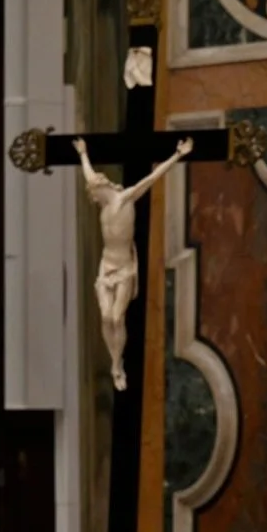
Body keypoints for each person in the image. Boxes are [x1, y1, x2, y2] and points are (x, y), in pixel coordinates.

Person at [72, 135, 193, 390]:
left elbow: (152, 178)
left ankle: (117, 365)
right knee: (106, 317)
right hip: (106, 265)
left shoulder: (124, 198)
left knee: (117, 318)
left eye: (93, 194)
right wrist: (83, 153)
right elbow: (89, 175)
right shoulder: (104, 205)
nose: (93, 199)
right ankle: (115, 362)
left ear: (100, 190)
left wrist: (178, 155)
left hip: (125, 267)